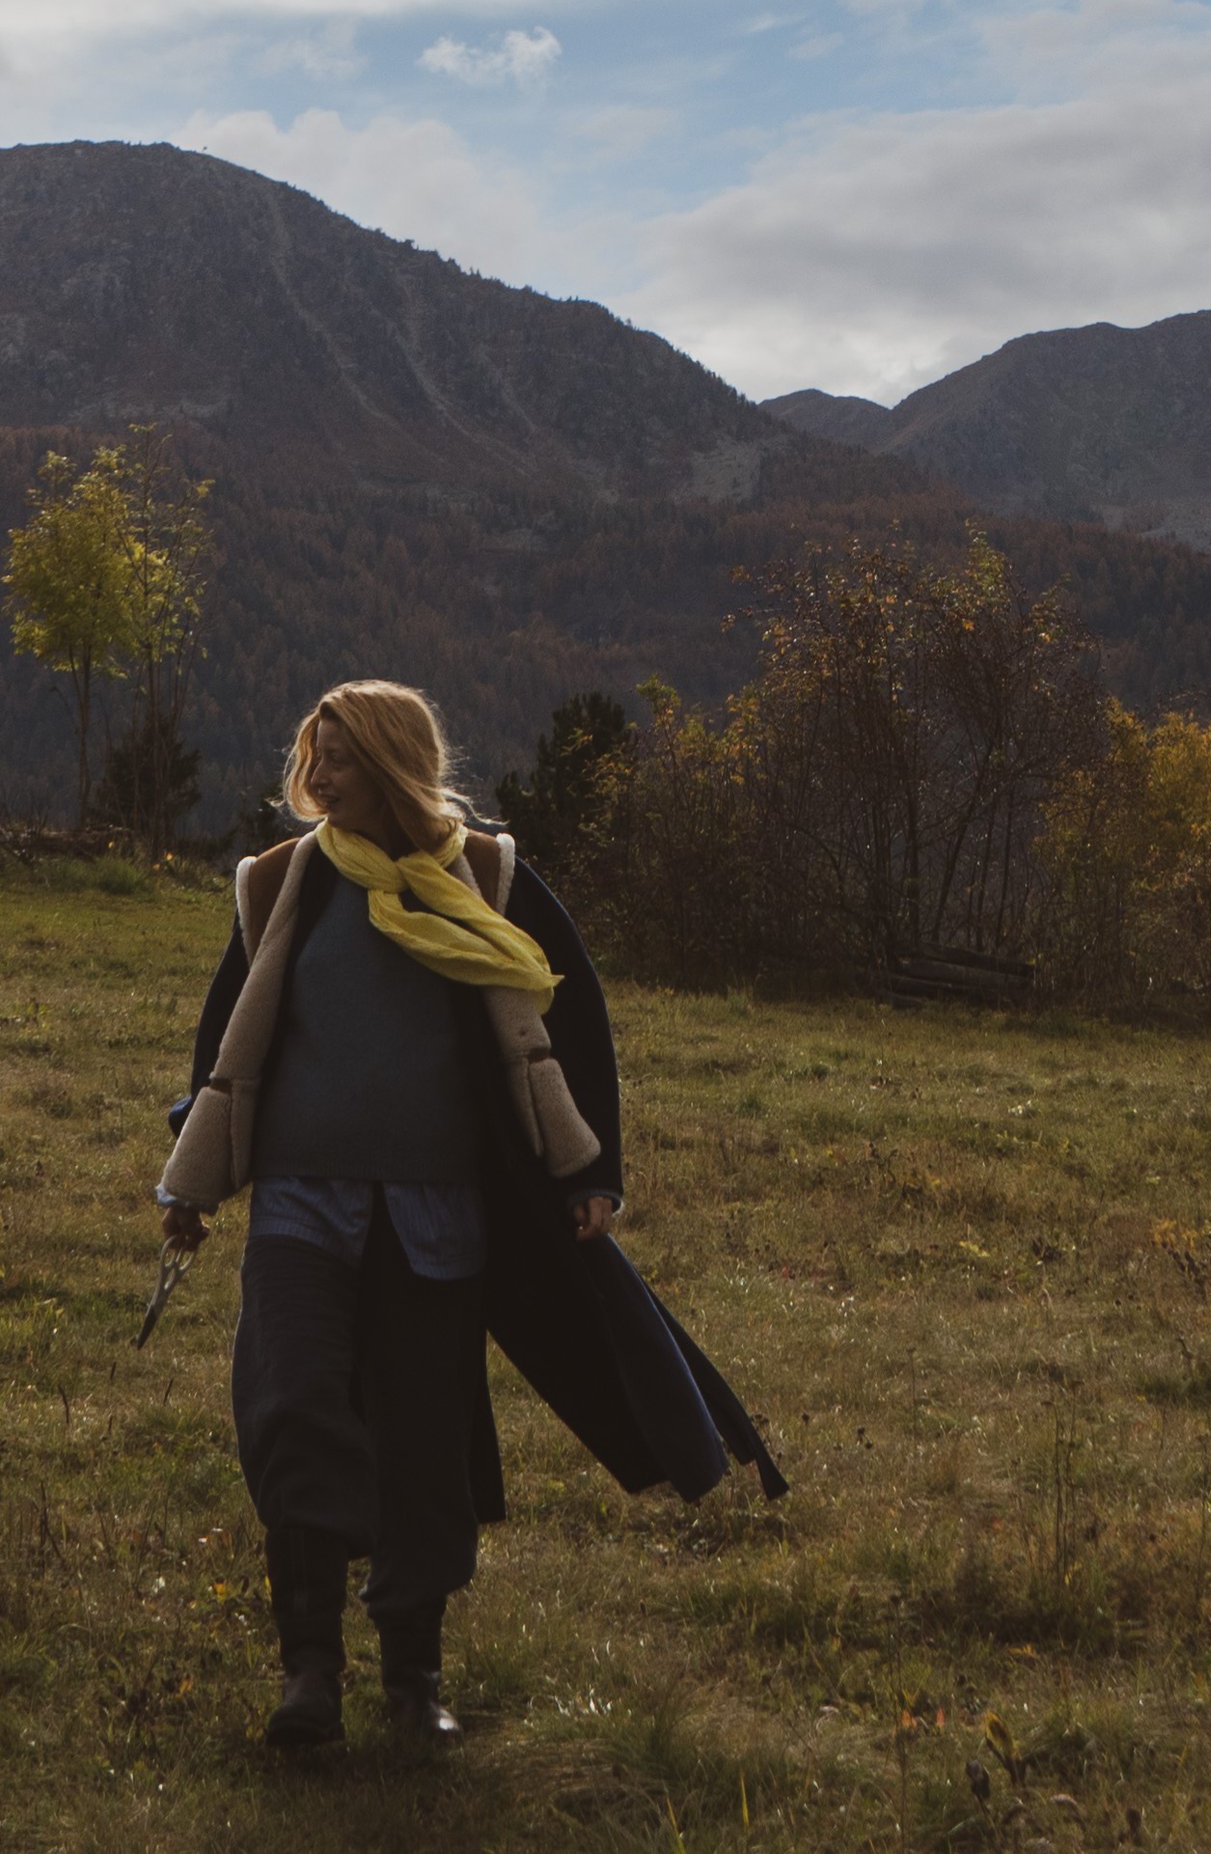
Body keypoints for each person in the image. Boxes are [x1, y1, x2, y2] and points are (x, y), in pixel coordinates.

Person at [157, 679, 784, 1751]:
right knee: (293, 1404)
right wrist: (189, 1180)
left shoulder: (486, 876)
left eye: (342, 755)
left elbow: (571, 1015)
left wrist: (593, 1173)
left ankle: (412, 1681)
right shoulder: (278, 884)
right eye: (316, 755)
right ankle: (310, 1672)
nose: (320, 775)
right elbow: (229, 1045)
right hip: (302, 1206)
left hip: (436, 1214)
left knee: (424, 1438)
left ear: (394, 760)